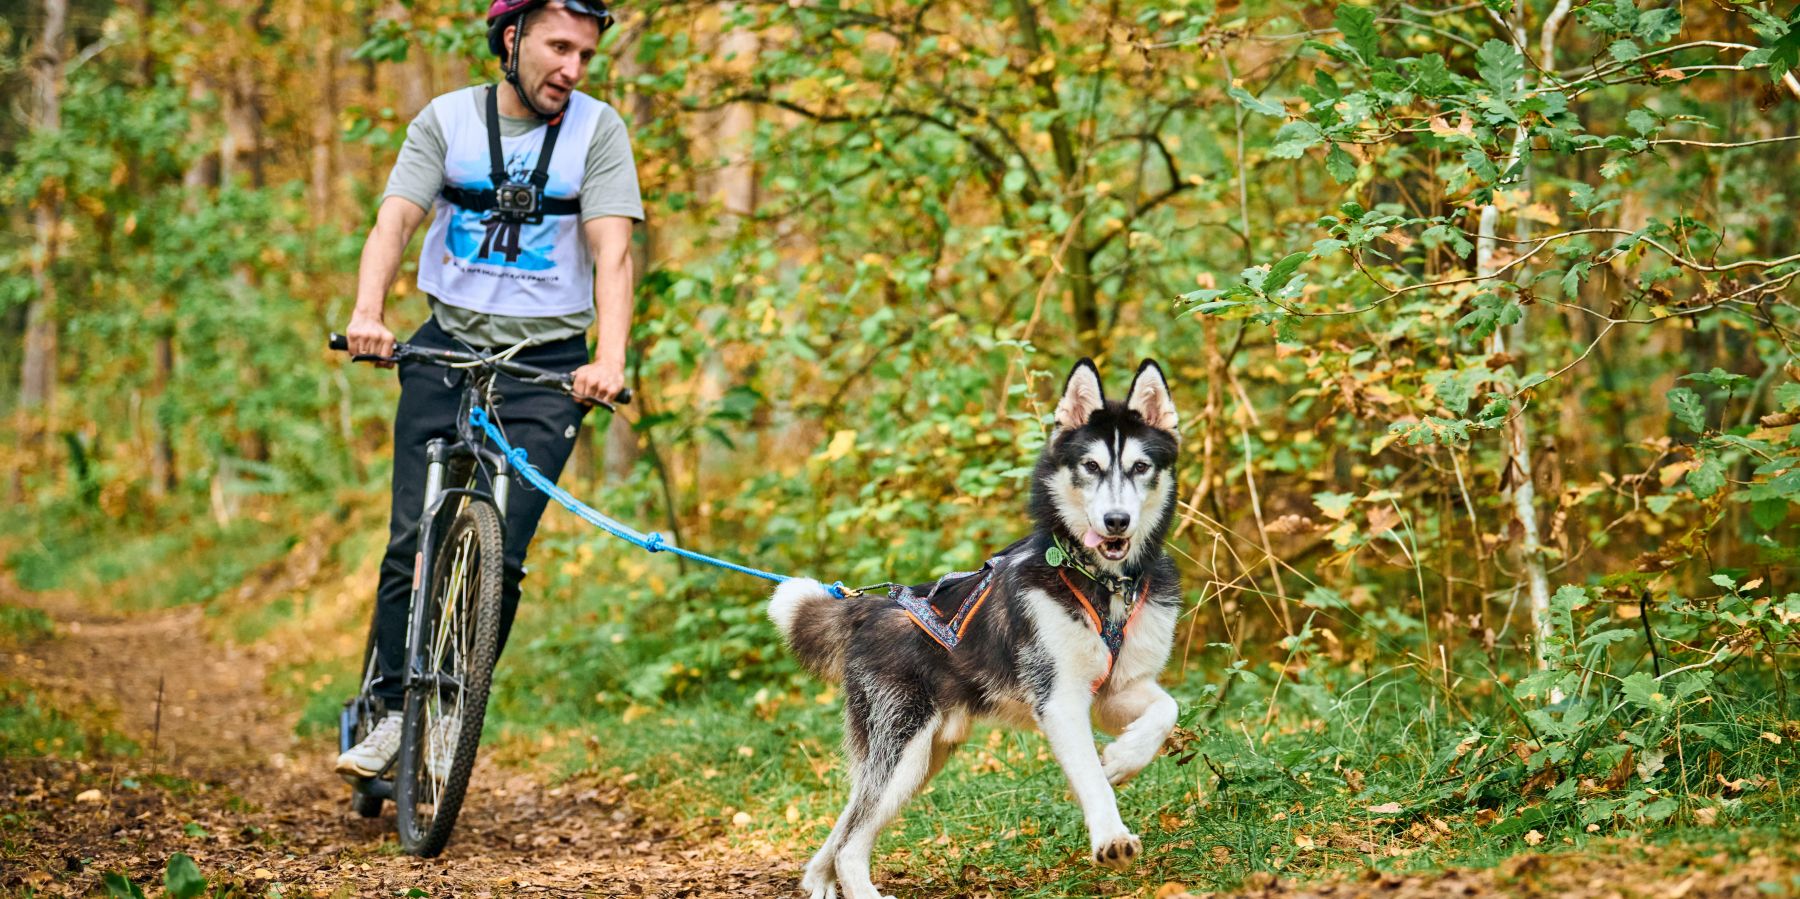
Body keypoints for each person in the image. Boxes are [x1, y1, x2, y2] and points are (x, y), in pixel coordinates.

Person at [335, 0, 642, 778]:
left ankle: (448, 712)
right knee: (412, 537)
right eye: (559, 48)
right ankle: (394, 707)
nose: (572, 70)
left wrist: (608, 358)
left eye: (585, 56)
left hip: (548, 365)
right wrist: (369, 314)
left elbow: (613, 255)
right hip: (445, 346)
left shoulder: (598, 132)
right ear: (512, 41)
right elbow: (394, 222)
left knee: (501, 555)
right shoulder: (447, 121)